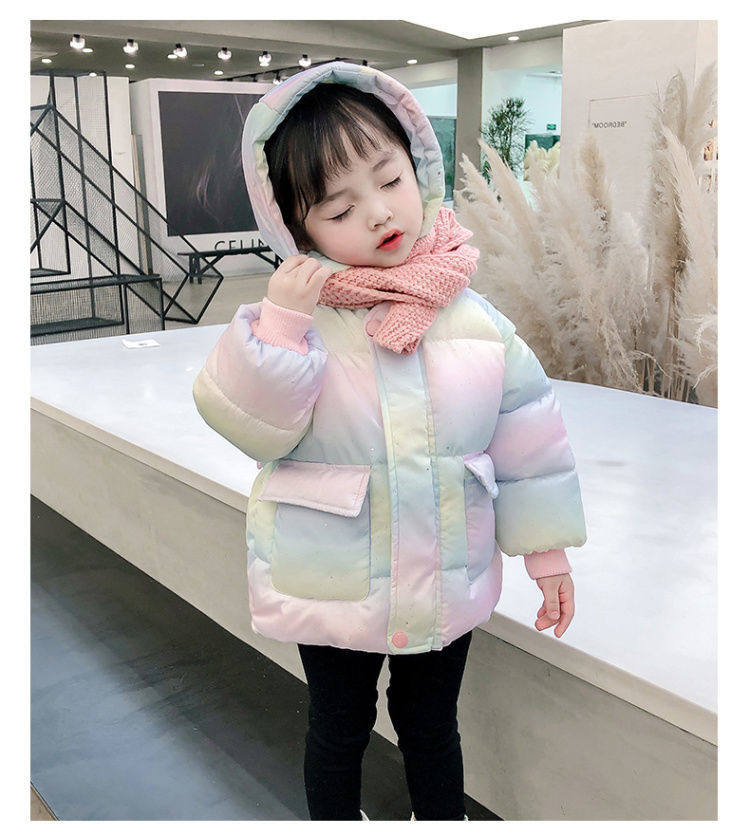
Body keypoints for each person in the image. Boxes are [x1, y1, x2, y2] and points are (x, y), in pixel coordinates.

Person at [192, 61, 587, 822]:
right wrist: (280, 329)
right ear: (295, 226)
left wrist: (547, 553)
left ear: (420, 167)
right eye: (340, 208)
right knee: (338, 726)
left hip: (443, 568)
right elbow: (247, 423)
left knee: (432, 725)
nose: (378, 214)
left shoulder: (475, 320)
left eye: (390, 179)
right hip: (334, 576)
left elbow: (530, 441)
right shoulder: (293, 322)